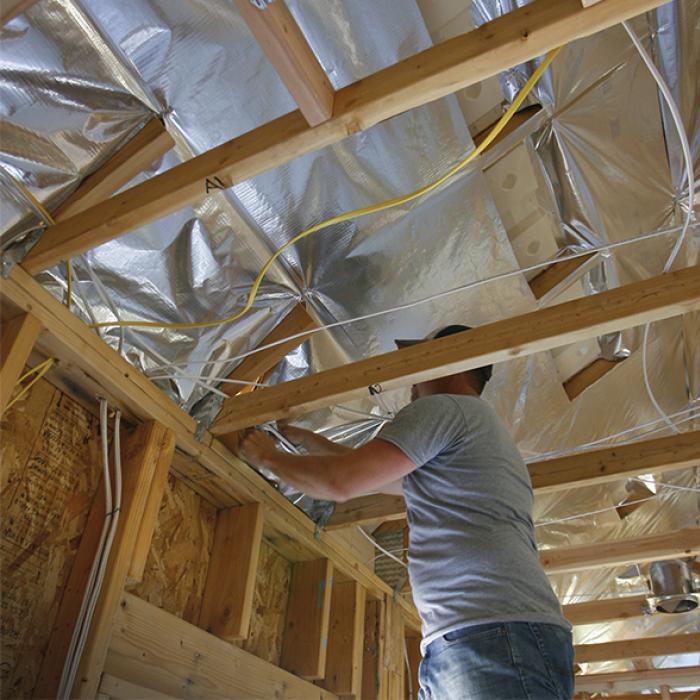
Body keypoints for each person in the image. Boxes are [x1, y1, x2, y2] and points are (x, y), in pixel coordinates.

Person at [239, 325, 574, 700]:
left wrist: (266, 456)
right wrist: (309, 441)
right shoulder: (477, 433)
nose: (413, 380)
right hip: (487, 635)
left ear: (449, 364)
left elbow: (342, 484)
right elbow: (375, 477)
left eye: (422, 363)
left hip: (490, 635)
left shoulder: (446, 409)